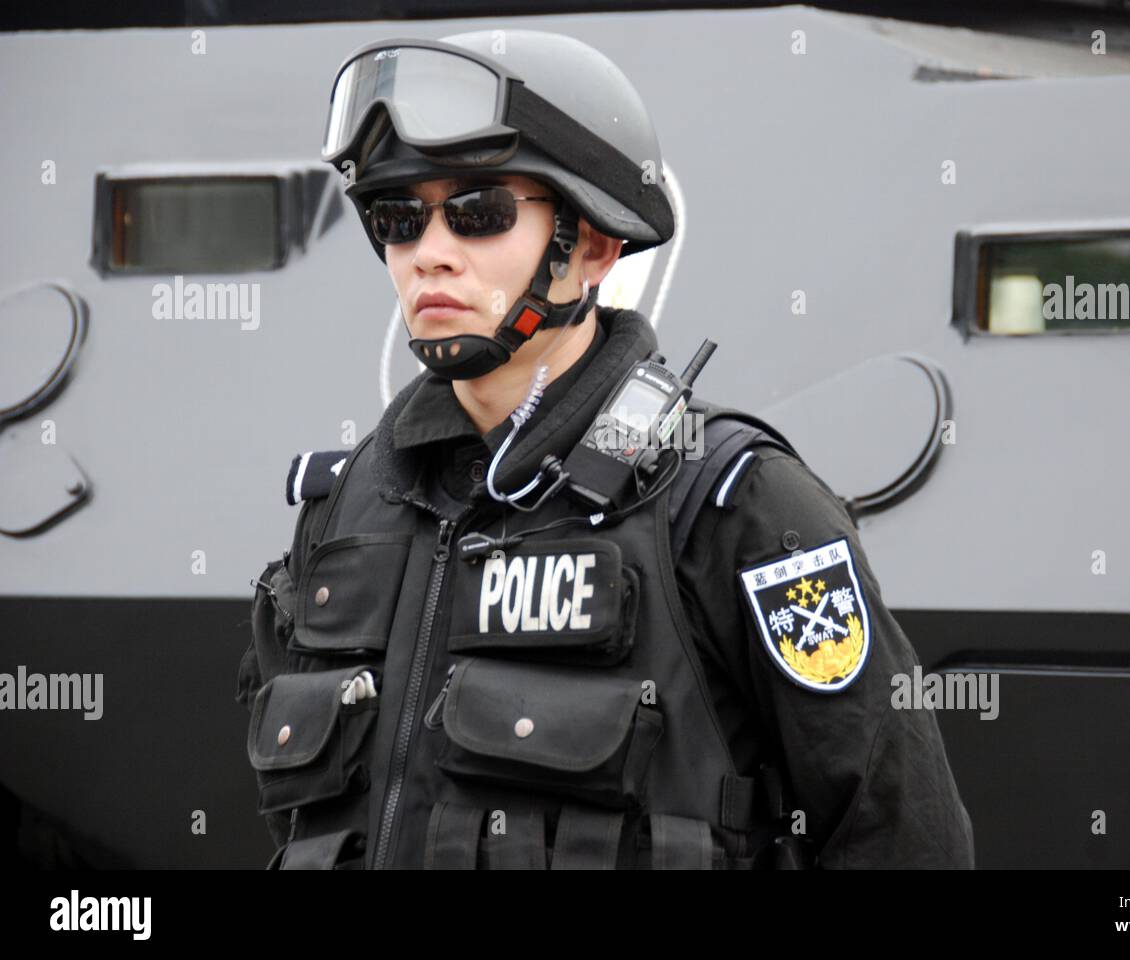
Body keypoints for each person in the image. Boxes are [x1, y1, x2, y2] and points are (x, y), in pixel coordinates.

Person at [236, 28, 975, 870]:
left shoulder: (737, 504)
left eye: (479, 214)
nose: (429, 254)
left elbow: (902, 835)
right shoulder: (346, 510)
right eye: (398, 218)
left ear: (593, 247)